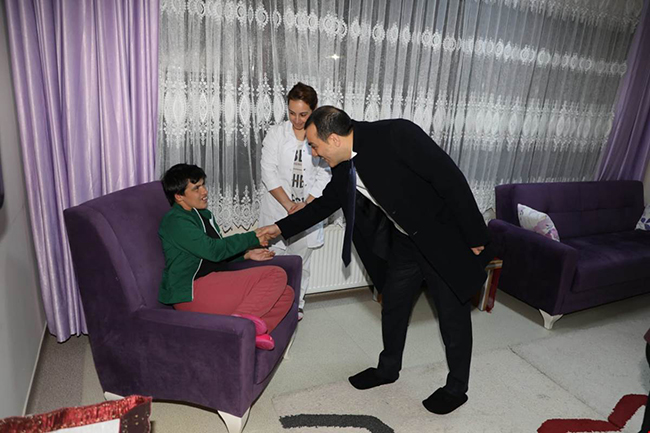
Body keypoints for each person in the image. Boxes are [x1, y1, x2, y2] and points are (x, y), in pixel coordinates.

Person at [258, 106, 492, 414]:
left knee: (452, 315)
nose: (315, 154)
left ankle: (456, 387)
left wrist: (475, 236)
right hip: (406, 242)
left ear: (333, 139)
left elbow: (451, 180)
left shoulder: (397, 135)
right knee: (393, 303)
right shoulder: (343, 164)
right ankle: (388, 368)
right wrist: (278, 228)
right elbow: (325, 205)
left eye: (314, 146)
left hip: (441, 239)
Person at [158, 163, 294, 351]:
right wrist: (253, 237)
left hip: (211, 285)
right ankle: (235, 330)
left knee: (286, 293)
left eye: (203, 185)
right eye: (196, 188)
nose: (204, 191)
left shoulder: (201, 215)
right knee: (275, 274)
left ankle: (251, 335)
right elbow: (213, 250)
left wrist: (246, 254)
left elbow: (213, 256)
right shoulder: (175, 221)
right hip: (191, 291)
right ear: (179, 196)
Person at [259, 82, 332, 320]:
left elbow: (325, 174)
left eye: (303, 114)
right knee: (273, 261)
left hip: (307, 209)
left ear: (314, 110)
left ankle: (297, 305)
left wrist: (306, 205)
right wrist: (289, 205)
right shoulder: (276, 134)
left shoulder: (322, 136)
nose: (297, 120)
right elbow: (268, 172)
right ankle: (272, 305)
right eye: (292, 113)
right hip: (277, 208)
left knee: (300, 262)